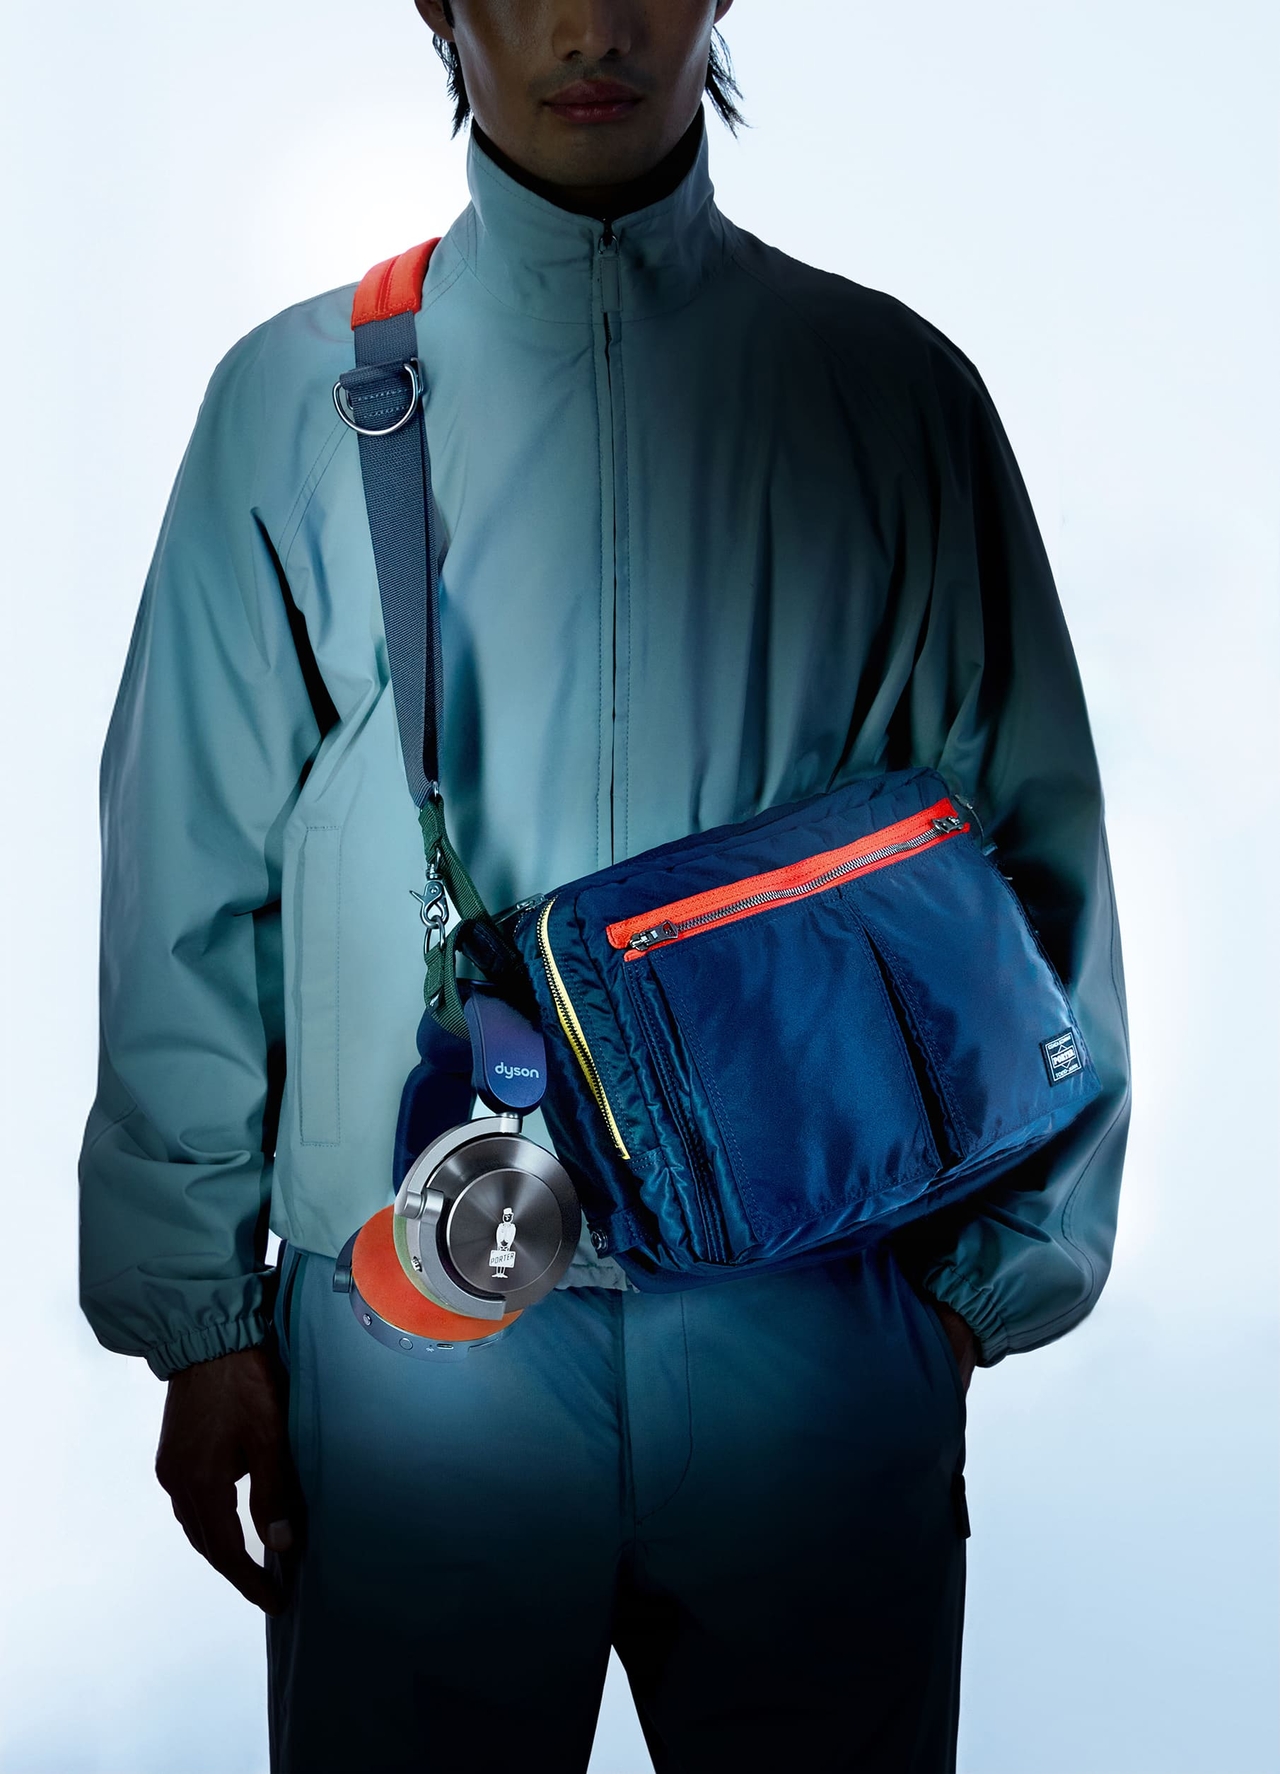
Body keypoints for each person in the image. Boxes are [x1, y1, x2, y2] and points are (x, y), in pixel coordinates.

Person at [78, 2, 1131, 1770]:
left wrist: (975, 1294)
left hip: (816, 1322)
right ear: (437, 5)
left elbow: (1035, 847)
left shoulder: (892, 390)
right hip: (418, 1344)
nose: (591, 23)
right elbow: (184, 867)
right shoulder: (295, 400)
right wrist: (199, 1317)